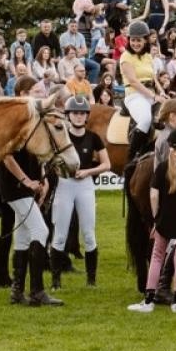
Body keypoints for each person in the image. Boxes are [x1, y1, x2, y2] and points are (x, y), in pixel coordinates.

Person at [129, 127, 176, 314]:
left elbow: (153, 196)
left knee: (156, 257)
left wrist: (155, 219)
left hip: (164, 219)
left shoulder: (162, 167)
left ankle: (148, 301)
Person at [0, 113, 63, 308]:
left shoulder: (35, 128)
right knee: (41, 231)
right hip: (15, 188)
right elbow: (6, 157)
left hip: (26, 188)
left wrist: (43, 181)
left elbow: (39, 158)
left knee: (23, 237)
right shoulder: (15, 126)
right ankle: (37, 290)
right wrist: (26, 181)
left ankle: (17, 291)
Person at [47, 95, 109, 288]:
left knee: (89, 233)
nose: (79, 117)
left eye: (82, 113)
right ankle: (56, 281)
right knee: (60, 234)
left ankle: (92, 280)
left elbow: (107, 164)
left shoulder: (93, 138)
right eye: (75, 113)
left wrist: (88, 171)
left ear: (87, 116)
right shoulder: (61, 136)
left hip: (85, 185)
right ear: (68, 115)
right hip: (65, 185)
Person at [120, 20, 165, 155]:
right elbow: (133, 81)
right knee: (145, 120)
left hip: (150, 94)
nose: (136, 43)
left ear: (145, 40)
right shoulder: (125, 56)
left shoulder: (148, 56)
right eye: (133, 40)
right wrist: (154, 96)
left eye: (139, 40)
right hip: (134, 96)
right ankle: (132, 156)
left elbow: (154, 78)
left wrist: (162, 92)